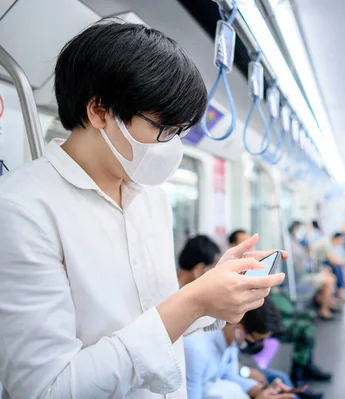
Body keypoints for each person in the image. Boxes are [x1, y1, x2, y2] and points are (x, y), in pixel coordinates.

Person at [0, 21, 285, 398]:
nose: (172, 146)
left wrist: (210, 293)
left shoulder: (152, 198)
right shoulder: (22, 210)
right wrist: (193, 299)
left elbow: (158, 317)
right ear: (100, 111)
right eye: (163, 128)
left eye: (180, 132)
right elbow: (46, 390)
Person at [230, 231, 332, 392]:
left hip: (271, 312)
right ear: (232, 246)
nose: (248, 247)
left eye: (249, 242)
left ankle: (305, 367)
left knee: (308, 317)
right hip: (258, 320)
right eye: (242, 243)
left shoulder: (254, 266)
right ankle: (298, 376)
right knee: (304, 330)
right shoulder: (231, 273)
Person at [185, 295, 296, 399]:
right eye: (257, 339)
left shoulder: (230, 344)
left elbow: (230, 376)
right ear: (238, 328)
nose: (258, 344)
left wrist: (263, 390)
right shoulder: (197, 351)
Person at [287, 221, 338, 319]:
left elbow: (309, 263)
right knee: (330, 280)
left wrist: (319, 270)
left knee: (329, 274)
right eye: (301, 229)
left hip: (306, 273)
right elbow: (300, 268)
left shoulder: (299, 243)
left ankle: (327, 302)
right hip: (299, 279)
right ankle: (324, 311)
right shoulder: (292, 246)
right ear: (295, 230)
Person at [311, 233, 345, 302]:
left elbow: (334, 258)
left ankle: (336, 293)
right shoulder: (327, 243)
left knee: (337, 266)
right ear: (337, 238)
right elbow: (332, 260)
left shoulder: (330, 244)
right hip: (313, 265)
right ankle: (340, 292)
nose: (341, 243)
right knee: (336, 267)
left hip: (317, 263)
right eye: (341, 240)